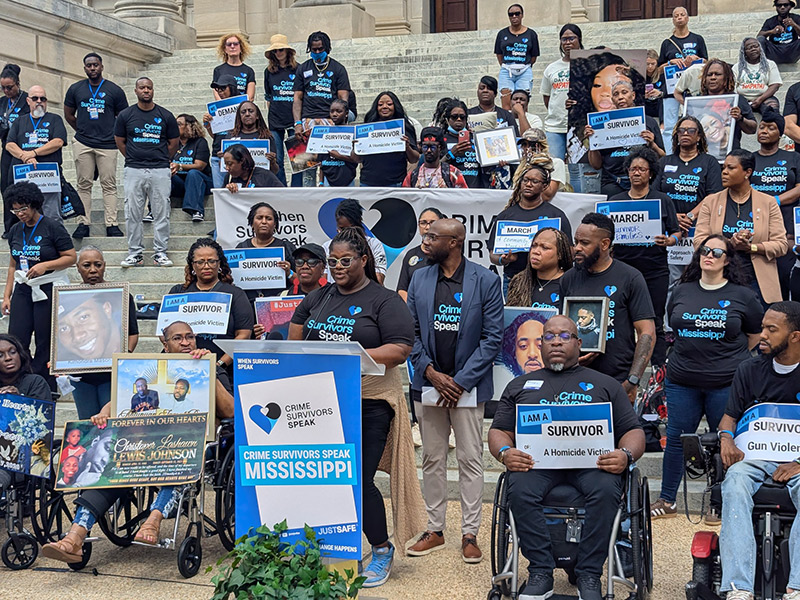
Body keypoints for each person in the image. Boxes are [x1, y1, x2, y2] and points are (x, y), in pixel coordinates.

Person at [289, 227, 424, 588]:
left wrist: (349, 356)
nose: (337, 267)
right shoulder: (318, 297)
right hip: (319, 402)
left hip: (369, 403)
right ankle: (329, 546)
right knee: (321, 477)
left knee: (357, 481)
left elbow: (399, 349)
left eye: (345, 260)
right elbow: (297, 333)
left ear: (364, 259)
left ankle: (380, 548)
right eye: (331, 261)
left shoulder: (383, 300)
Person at [42, 319, 235, 558]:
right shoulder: (148, 366)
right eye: (178, 338)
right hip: (143, 442)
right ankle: (75, 537)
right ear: (165, 344)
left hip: (188, 443)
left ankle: (153, 522)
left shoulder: (209, 366)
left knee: (179, 458)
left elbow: (230, 412)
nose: (186, 342)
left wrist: (208, 370)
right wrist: (104, 413)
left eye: (190, 336)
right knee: (107, 465)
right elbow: (121, 398)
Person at [489, 315, 645, 600]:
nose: (556, 341)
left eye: (564, 336)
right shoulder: (520, 386)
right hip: (538, 464)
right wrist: (504, 452)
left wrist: (624, 454)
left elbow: (633, 431)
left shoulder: (606, 385)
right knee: (519, 488)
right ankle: (540, 571)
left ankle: (588, 574)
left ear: (579, 342)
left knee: (607, 489)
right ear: (542, 343)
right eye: (549, 336)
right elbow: (499, 430)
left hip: (591, 464)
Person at [405, 219, 503, 564]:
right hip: (429, 386)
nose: (426, 240)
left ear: (455, 241)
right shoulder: (419, 277)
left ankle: (469, 533)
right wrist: (431, 373)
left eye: (433, 236)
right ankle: (435, 529)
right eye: (425, 234)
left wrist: (459, 381)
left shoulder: (486, 280)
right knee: (432, 458)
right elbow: (410, 333)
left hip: (468, 388)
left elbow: (492, 339)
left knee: (470, 459)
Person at [650, 234, 763, 521]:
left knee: (722, 441)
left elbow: (756, 334)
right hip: (681, 380)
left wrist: (732, 358)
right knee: (676, 438)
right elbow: (671, 326)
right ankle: (667, 501)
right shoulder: (682, 290)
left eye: (716, 251)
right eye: (704, 250)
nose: (708, 255)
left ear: (727, 260)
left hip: (725, 382)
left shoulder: (743, 296)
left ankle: (718, 504)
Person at [714, 301, 800, 600]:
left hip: (797, 461)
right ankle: (739, 588)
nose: (762, 335)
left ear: (795, 336)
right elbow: (730, 416)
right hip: (755, 458)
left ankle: (797, 587)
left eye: (771, 329)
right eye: (763, 327)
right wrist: (725, 438)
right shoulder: (749, 368)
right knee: (734, 482)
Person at [560, 212, 656, 399]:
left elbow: (647, 332)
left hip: (618, 380)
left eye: (584, 243)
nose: (577, 248)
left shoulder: (630, 277)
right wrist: (569, 359)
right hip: (573, 379)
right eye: (576, 241)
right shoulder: (568, 279)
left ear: (605, 244)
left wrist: (632, 381)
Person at [609, 146, 680, 367]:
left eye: (641, 169)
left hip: (654, 269)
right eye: (632, 169)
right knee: (621, 319)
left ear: (651, 173)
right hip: (622, 268)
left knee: (654, 319)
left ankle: (658, 368)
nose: (636, 173)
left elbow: (676, 231)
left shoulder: (662, 200)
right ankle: (624, 363)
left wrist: (670, 241)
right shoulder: (615, 200)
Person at [694, 149, 789, 307]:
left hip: (757, 283)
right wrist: (729, 244)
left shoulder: (768, 202)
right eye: (723, 168)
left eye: (730, 168)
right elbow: (698, 242)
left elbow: (781, 245)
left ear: (747, 172)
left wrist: (751, 247)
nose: (724, 172)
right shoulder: (710, 201)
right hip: (720, 279)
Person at [1, 182, 75, 384]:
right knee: (17, 337)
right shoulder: (16, 230)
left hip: (47, 287)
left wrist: (46, 265)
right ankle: (20, 380)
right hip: (23, 288)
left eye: (23, 209)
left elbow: (71, 257)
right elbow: (12, 265)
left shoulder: (52, 227)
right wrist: (7, 296)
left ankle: (44, 382)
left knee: (45, 339)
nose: (20, 213)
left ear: (34, 204)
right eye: (15, 210)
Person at [114, 77, 179, 268]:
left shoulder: (165, 115)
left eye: (149, 88)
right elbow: (120, 140)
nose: (146, 91)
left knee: (161, 211)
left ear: (153, 90)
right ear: (135, 91)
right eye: (142, 88)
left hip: (160, 169)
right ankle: (135, 253)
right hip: (134, 169)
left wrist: (159, 158)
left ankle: (160, 252)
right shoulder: (126, 115)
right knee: (132, 212)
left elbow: (173, 142)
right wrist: (135, 156)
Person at [69, 245, 138, 418]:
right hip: (81, 378)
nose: (93, 270)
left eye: (97, 265)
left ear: (104, 266)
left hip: (111, 375)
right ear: (77, 268)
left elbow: (133, 334)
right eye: (86, 265)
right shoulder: (68, 298)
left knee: (111, 422)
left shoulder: (121, 296)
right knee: (86, 423)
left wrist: (123, 357)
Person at [64, 52, 128, 240]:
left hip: (107, 144)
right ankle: (83, 222)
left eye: (95, 65)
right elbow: (69, 114)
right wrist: (82, 129)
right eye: (89, 65)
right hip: (83, 143)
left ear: (102, 66)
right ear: (84, 68)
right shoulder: (76, 89)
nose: (92, 68)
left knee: (109, 184)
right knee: (83, 184)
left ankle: (111, 223)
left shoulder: (114, 90)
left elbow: (123, 117)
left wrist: (110, 133)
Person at [166, 238, 254, 368]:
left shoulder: (236, 294)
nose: (206, 266)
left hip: (223, 368)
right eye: (200, 262)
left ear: (219, 264)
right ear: (192, 265)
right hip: (182, 365)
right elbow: (164, 331)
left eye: (211, 261)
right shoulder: (178, 292)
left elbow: (244, 335)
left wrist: (218, 365)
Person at [489, 164, 572, 296]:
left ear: (545, 186)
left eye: (534, 181)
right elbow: (492, 254)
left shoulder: (556, 215)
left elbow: (570, 251)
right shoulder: (505, 216)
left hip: (549, 280)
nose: (528, 184)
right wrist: (502, 260)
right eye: (525, 180)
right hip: (513, 278)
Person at [750, 107, 800, 300]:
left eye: (770, 128)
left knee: (785, 271)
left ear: (780, 133)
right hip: (756, 220)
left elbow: (799, 188)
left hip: (786, 221)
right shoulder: (749, 159)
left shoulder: (793, 157)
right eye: (761, 127)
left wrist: (775, 200)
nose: (763, 131)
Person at [585, 80, 665, 198]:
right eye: (616, 94)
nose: (620, 97)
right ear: (612, 100)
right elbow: (596, 165)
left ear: (633, 95)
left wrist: (652, 144)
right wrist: (593, 142)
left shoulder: (649, 122)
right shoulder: (602, 124)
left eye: (624, 92)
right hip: (613, 182)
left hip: (644, 181)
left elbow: (663, 157)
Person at [4, 84, 67, 222]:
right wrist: (24, 157)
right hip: (25, 175)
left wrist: (33, 153)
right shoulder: (20, 121)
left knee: (52, 215)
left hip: (48, 175)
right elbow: (9, 144)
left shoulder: (55, 119)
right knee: (27, 216)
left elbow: (58, 142)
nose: (39, 101)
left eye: (43, 99)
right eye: (35, 98)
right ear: (28, 101)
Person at [653, 115, 723, 225]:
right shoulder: (664, 162)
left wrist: (690, 216)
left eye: (691, 131)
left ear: (699, 136)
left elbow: (714, 195)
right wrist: (672, 217)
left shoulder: (710, 162)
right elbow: (654, 194)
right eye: (681, 130)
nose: (685, 133)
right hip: (667, 223)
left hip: (698, 224)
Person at [678, 59, 757, 154]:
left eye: (717, 74)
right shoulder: (697, 103)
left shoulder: (737, 100)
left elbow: (752, 129)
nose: (713, 78)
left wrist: (740, 118)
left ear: (726, 78)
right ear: (704, 79)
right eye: (709, 75)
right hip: (703, 158)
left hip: (731, 156)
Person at [355, 91, 419, 187]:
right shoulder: (366, 128)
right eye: (380, 104)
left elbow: (414, 159)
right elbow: (357, 159)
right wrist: (356, 147)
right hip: (368, 182)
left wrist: (408, 147)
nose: (384, 107)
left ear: (395, 106)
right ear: (376, 108)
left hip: (395, 182)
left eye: (389, 104)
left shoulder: (404, 127)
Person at [293, 31, 350, 137]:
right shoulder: (303, 68)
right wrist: (297, 123)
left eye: (320, 49)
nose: (318, 52)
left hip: (331, 118)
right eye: (314, 49)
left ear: (327, 48)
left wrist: (342, 120)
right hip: (308, 118)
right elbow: (297, 98)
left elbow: (343, 98)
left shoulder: (338, 68)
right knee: (311, 153)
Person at [235, 202, 295, 299]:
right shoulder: (241, 248)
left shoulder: (286, 248)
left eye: (269, 218)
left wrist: (289, 273)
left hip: (279, 303)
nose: (264, 222)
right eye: (259, 218)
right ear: (251, 223)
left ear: (275, 224)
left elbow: (301, 282)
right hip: (248, 304)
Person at [540, 25, 582, 165]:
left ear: (579, 39)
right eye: (564, 39)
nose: (568, 43)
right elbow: (547, 97)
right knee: (554, 166)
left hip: (580, 125)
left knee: (576, 169)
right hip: (555, 126)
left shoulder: (587, 64)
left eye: (571, 38)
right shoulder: (552, 68)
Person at [506, 227, 572, 311]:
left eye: (545, 247)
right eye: (534, 246)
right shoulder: (519, 282)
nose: (535, 251)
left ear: (559, 254)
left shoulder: (570, 282)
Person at [324, 198, 388, 284]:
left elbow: (379, 280)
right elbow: (323, 282)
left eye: (349, 228)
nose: (346, 233)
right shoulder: (327, 246)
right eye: (341, 229)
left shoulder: (374, 245)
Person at [263, 34, 297, 186]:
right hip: (275, 119)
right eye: (275, 51)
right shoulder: (268, 71)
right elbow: (268, 96)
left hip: (294, 119)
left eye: (281, 49)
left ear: (288, 51)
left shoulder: (299, 69)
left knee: (299, 159)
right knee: (276, 159)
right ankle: (281, 187)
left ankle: (298, 188)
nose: (278, 53)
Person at [0, 64, 29, 236]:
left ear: (17, 83)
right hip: (7, 147)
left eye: (9, 87)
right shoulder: (2, 102)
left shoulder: (26, 100)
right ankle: (9, 226)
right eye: (3, 88)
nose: (6, 91)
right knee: (6, 186)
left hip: (23, 148)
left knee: (21, 186)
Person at [494, 3, 539, 110]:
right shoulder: (502, 33)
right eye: (511, 14)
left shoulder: (531, 34)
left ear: (522, 15)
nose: (514, 17)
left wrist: (524, 65)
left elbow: (534, 56)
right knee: (506, 103)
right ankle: (508, 125)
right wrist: (507, 65)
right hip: (507, 70)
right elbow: (499, 53)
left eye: (517, 14)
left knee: (522, 103)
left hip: (524, 70)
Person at [170, 113, 212, 222]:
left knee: (193, 173)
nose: (175, 127)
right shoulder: (173, 143)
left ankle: (196, 210)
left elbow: (200, 166)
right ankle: (154, 210)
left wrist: (179, 166)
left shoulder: (200, 142)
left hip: (200, 181)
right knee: (163, 173)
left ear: (189, 126)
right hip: (180, 183)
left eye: (179, 124)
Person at [397, 207, 445, 302]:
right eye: (423, 223)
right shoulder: (411, 254)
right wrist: (412, 309)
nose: (427, 227)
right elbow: (402, 289)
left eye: (432, 222)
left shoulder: (445, 254)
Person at [221, 101, 279, 176]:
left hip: (261, 180)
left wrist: (272, 162)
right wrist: (223, 159)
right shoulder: (231, 136)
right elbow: (224, 168)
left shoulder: (267, 137)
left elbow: (275, 170)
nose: (247, 114)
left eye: (251, 111)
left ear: (257, 115)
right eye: (243, 112)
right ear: (239, 116)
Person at [403, 126, 467, 189]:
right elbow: (404, 196)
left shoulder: (452, 173)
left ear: (440, 148)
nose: (429, 150)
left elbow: (464, 196)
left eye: (433, 147)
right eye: (425, 147)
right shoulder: (413, 175)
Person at [515, 128, 568, 200]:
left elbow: (547, 196)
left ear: (541, 146)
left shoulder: (556, 163)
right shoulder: (522, 166)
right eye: (524, 144)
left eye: (532, 144)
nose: (528, 148)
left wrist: (538, 163)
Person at [733, 37, 783, 113]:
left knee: (772, 106)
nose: (753, 49)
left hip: (764, 98)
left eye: (756, 46)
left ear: (760, 48)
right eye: (749, 48)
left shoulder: (770, 64)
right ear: (744, 52)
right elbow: (732, 86)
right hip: (743, 99)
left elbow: (775, 85)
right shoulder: (737, 67)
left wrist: (760, 99)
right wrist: (741, 101)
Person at [205, 74, 238, 189]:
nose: (220, 92)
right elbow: (215, 136)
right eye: (218, 89)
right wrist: (208, 126)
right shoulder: (215, 108)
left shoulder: (242, 107)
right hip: (217, 155)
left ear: (232, 88)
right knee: (219, 192)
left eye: (223, 88)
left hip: (237, 156)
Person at [442, 99, 482, 189]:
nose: (459, 119)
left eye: (462, 117)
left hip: (475, 189)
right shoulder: (442, 140)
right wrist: (452, 154)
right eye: (454, 117)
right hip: (451, 190)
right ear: (447, 119)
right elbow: (435, 166)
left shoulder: (476, 138)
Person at [318, 98, 357, 187]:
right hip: (328, 179)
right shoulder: (325, 133)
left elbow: (356, 159)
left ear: (346, 113)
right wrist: (321, 181)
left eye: (339, 111)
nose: (334, 114)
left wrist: (339, 156)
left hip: (347, 178)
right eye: (332, 111)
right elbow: (322, 160)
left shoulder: (353, 132)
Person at [211, 33, 256, 100]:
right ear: (225, 49)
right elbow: (216, 92)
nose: (232, 46)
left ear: (241, 48)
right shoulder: (218, 70)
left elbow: (250, 97)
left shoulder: (248, 71)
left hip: (242, 107)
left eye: (235, 44)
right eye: (229, 44)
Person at [758, 0, 800, 64]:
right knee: (760, 40)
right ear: (776, 7)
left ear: (790, 7)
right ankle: (763, 66)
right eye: (779, 5)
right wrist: (772, 31)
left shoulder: (797, 18)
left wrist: (794, 25)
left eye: (785, 5)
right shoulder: (770, 21)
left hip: (792, 51)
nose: (782, 7)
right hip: (775, 51)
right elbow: (759, 36)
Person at [644, 49, 665, 124]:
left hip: (658, 105)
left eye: (653, 64)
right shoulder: (640, 76)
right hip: (646, 104)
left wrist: (659, 93)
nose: (650, 67)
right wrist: (643, 95)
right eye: (647, 64)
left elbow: (667, 92)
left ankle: (663, 124)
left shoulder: (662, 75)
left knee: (663, 100)